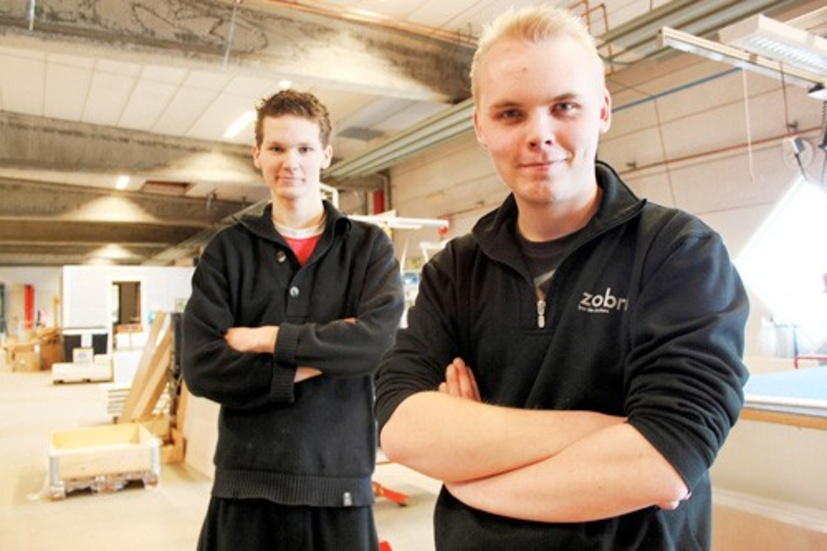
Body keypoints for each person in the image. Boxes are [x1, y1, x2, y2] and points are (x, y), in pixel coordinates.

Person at [374, 6, 749, 550]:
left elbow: (663, 461)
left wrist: (470, 474)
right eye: (510, 114)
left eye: (564, 106)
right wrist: (607, 431)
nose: (539, 134)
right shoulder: (454, 271)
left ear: (601, 111)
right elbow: (403, 426)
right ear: (479, 125)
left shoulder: (679, 254)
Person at [182, 89, 405, 551]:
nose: (291, 162)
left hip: (340, 489)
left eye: (304, 148)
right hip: (244, 489)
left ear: (325, 154)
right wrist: (328, 352)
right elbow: (203, 368)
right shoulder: (228, 251)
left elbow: (376, 344)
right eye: (278, 148)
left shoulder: (366, 248)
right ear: (257, 154)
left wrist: (267, 339)